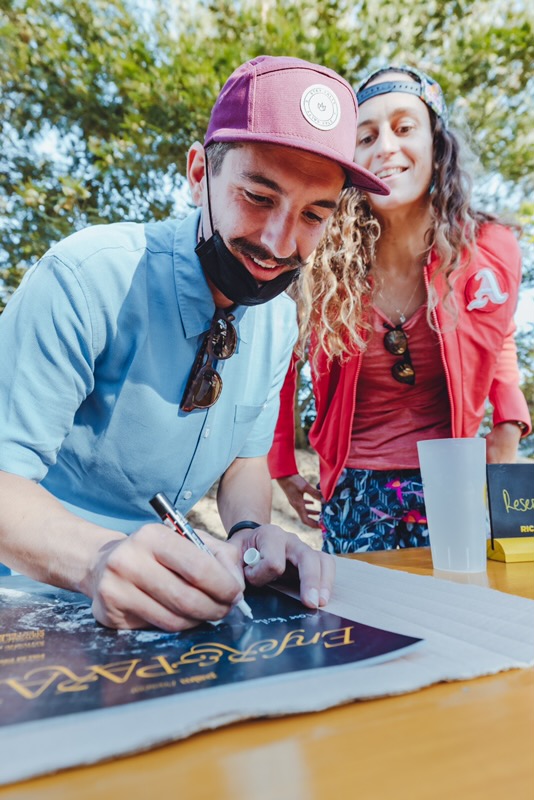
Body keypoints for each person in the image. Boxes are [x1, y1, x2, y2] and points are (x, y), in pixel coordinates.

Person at [0, 56, 389, 628]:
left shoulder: (280, 320)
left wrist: (251, 536)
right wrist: (99, 560)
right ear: (199, 173)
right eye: (259, 196)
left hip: (181, 612)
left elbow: (245, 462)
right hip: (27, 598)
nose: (280, 244)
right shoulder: (84, 279)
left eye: (314, 214)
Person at [268, 65, 531, 554]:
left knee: (457, 620)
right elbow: (280, 361)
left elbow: (498, 335)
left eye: (404, 128)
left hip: (455, 482)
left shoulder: (491, 249)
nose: (385, 147)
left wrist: (509, 423)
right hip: (352, 489)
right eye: (366, 137)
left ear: (437, 144)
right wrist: (281, 463)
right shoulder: (321, 262)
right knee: (362, 628)